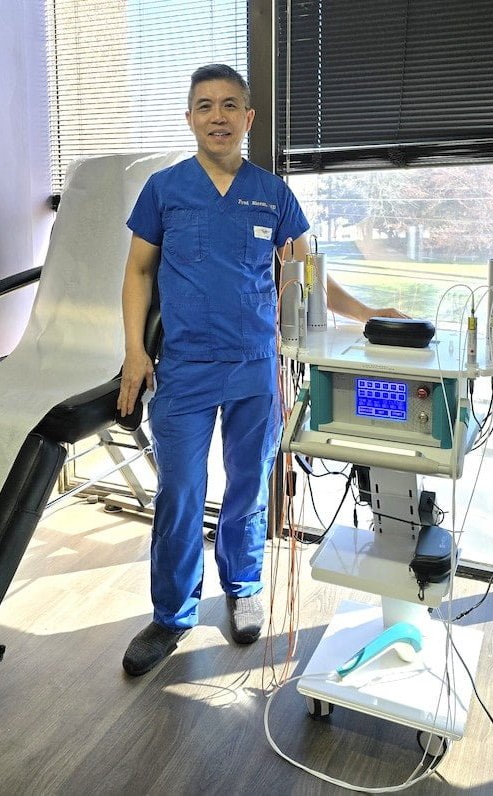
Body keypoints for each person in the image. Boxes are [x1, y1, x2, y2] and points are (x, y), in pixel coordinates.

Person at [117, 64, 406, 676]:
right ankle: (171, 614)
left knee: (248, 490)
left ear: (248, 119)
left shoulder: (273, 194)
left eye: (229, 106)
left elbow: (309, 276)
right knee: (180, 494)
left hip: (255, 366)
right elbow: (138, 272)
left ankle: (243, 588)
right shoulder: (163, 190)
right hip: (186, 369)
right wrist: (136, 353)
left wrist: (365, 314)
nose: (217, 116)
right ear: (189, 117)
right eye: (204, 106)